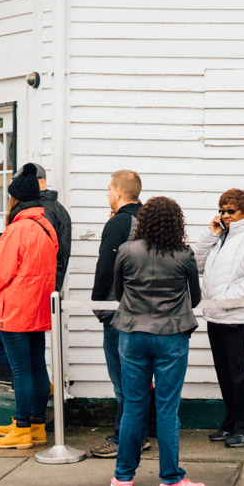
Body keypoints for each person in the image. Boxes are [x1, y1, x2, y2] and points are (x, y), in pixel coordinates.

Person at [110, 196, 206, 486]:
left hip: (132, 334)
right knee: (167, 409)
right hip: (172, 335)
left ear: (144, 221)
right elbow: (196, 297)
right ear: (176, 223)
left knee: (133, 407)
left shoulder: (126, 250)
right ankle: (171, 481)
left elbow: (117, 292)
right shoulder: (183, 253)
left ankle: (123, 477)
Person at [0, 178, 59, 450]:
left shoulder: (17, 230)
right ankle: (37, 425)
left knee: (22, 369)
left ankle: (22, 428)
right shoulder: (46, 227)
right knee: (37, 366)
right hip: (39, 306)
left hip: (15, 308)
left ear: (16, 199)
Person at [193, 188, 244, 448]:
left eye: (231, 211)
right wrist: (210, 233)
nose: (226, 215)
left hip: (240, 316)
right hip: (216, 315)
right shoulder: (220, 238)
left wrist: (226, 297)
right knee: (225, 375)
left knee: (243, 375)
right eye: (222, 211)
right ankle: (231, 424)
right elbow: (196, 265)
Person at [90, 169, 154, 459]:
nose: (107, 195)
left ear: (117, 192)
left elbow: (106, 266)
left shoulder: (119, 223)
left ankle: (122, 437)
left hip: (119, 310)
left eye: (108, 190)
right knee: (138, 378)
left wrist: (98, 305)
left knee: (122, 380)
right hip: (147, 310)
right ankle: (138, 434)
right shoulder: (150, 221)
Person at [26, 162, 73, 296]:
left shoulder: (41, 210)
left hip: (42, 284)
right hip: (54, 282)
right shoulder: (58, 208)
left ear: (42, 182)